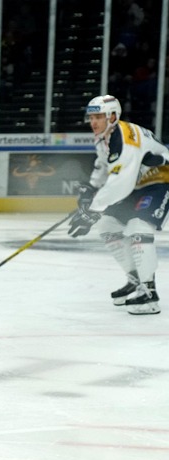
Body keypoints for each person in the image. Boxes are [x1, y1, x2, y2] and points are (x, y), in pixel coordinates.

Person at [67, 94, 169, 315]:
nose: (93, 122)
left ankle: (149, 294)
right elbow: (103, 166)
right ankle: (135, 280)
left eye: (98, 117)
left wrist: (92, 210)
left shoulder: (125, 136)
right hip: (137, 184)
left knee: (138, 228)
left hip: (161, 181)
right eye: (91, 117)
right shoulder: (103, 136)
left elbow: (120, 183)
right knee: (108, 226)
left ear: (112, 116)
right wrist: (91, 188)